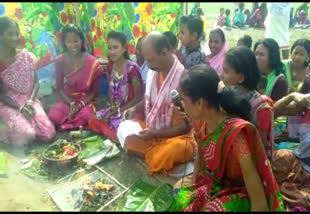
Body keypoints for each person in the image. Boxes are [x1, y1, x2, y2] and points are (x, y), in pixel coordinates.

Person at [171, 64, 284, 212]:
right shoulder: (200, 123)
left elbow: (259, 201)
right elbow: (200, 157)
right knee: (184, 201)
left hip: (243, 193)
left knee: (213, 209)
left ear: (199, 103)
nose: (182, 105)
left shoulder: (235, 135)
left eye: (183, 100)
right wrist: (193, 190)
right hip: (219, 184)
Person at [122, 32, 196, 174]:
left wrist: (155, 133)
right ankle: (153, 153)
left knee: (177, 149)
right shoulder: (154, 72)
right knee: (126, 131)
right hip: (153, 130)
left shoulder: (183, 78)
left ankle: (154, 155)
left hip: (177, 138)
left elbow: (187, 125)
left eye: (150, 60)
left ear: (165, 52)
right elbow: (152, 100)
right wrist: (134, 108)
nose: (147, 66)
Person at [272, 53, 310, 211]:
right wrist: (291, 96)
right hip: (302, 164)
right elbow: (272, 113)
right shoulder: (308, 100)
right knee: (273, 160)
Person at [0, 16, 55, 145]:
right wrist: (20, 108)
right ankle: (6, 128)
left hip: (29, 100)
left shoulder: (26, 56)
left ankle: (29, 122)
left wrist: (30, 100)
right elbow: (1, 94)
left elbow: (36, 81)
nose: (15, 38)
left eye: (17, 34)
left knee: (49, 133)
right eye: (10, 34)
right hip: (10, 103)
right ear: (1, 36)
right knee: (27, 135)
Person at [88, 31, 144, 142]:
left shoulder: (132, 69)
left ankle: (117, 135)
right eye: (110, 48)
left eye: (115, 48)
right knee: (93, 119)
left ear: (124, 48)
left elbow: (138, 97)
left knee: (123, 125)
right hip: (116, 108)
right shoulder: (110, 66)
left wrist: (119, 111)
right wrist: (113, 108)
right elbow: (110, 87)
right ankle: (116, 135)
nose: (112, 51)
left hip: (131, 110)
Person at [221, 47, 274, 159]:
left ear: (240, 77)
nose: (221, 75)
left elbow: (259, 148)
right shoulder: (224, 95)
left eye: (226, 72)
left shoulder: (261, 108)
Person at [49, 24, 104, 131]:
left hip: (85, 101)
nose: (73, 45)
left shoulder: (93, 63)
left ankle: (67, 125)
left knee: (85, 117)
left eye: (76, 41)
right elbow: (59, 88)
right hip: (67, 100)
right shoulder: (60, 60)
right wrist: (71, 103)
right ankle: (73, 124)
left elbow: (94, 92)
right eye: (69, 42)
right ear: (64, 43)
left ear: (81, 41)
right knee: (54, 115)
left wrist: (81, 104)